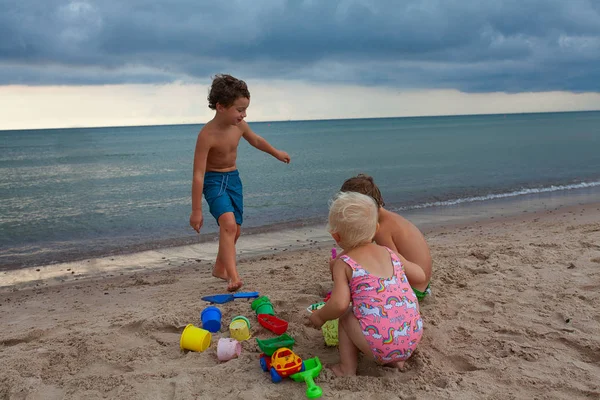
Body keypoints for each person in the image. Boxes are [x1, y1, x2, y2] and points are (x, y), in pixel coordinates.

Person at [189, 74, 290, 292]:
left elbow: (256, 140)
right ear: (221, 106)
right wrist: (196, 210)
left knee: (235, 230)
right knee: (228, 224)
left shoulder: (240, 126)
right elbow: (198, 174)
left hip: (233, 179)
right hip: (213, 181)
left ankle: (219, 267)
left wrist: (275, 153)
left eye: (245, 109)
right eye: (239, 109)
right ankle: (233, 277)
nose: (243, 114)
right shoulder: (206, 135)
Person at [309, 191, 424, 376]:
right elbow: (413, 278)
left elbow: (339, 304)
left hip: (379, 346)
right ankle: (397, 360)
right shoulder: (390, 253)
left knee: (346, 315)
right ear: (376, 228)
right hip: (412, 338)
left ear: (336, 237)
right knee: (404, 299)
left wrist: (320, 317)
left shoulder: (344, 262)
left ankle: (346, 368)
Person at [337, 174, 432, 301]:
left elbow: (393, 265)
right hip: (422, 283)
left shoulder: (382, 230)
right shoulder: (389, 219)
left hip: (414, 289)